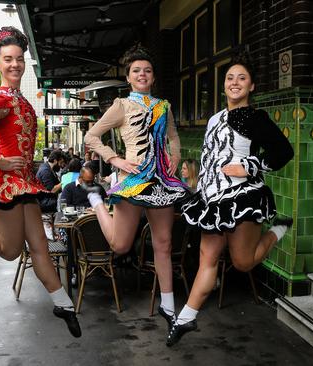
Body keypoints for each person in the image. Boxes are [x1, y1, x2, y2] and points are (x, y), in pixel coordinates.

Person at [0, 26, 81, 338]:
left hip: (25, 182)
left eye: (19, 59)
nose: (15, 65)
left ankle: (62, 303)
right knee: (10, 253)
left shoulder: (19, 97)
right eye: (8, 59)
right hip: (5, 184)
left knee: (40, 248)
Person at [166, 55, 294, 346]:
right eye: (230, 79)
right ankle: (186, 319)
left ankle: (278, 231)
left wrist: (250, 167)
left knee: (243, 262)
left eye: (241, 78)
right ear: (224, 87)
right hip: (213, 200)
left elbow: (283, 152)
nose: (235, 83)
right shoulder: (213, 119)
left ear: (251, 86)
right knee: (206, 259)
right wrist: (202, 188)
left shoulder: (255, 118)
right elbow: (210, 158)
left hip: (244, 198)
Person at [83, 45, 190, 331]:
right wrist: (115, 158)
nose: (142, 75)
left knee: (164, 244)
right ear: (129, 78)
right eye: (136, 71)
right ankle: (96, 202)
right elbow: (92, 136)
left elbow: (173, 136)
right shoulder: (121, 106)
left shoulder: (163, 106)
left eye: (147, 70)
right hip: (132, 180)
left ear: (153, 77)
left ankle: (169, 308)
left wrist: (175, 158)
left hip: (162, 181)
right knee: (120, 245)